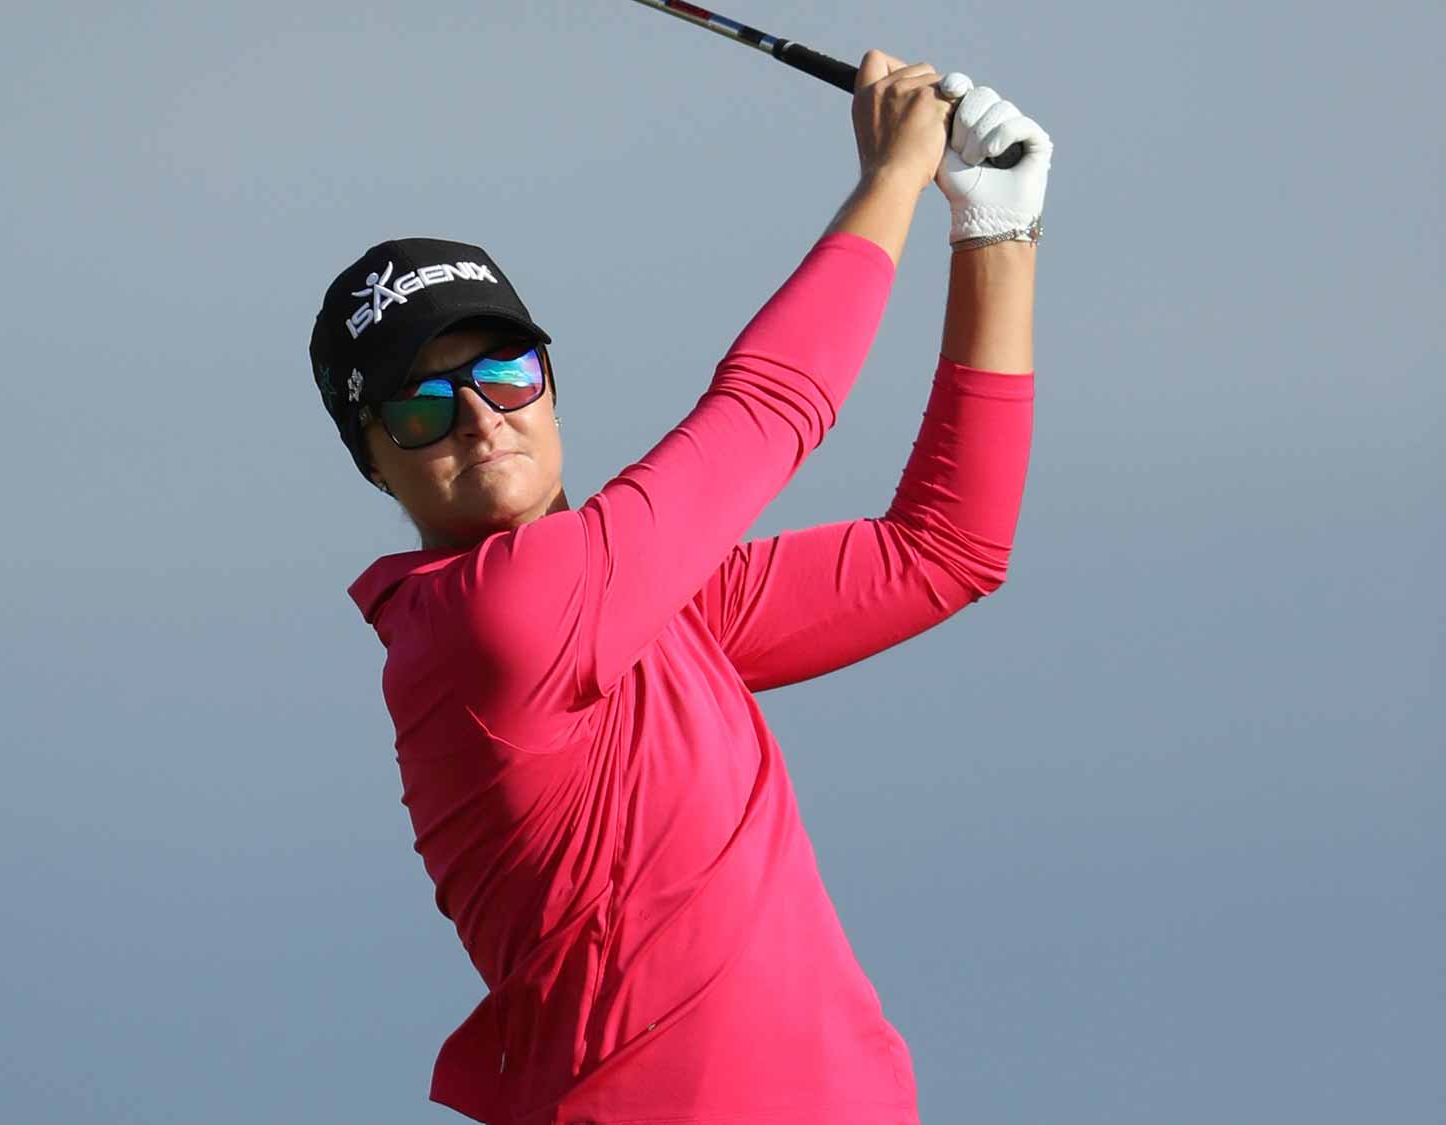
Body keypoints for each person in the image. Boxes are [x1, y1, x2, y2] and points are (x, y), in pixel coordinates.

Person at [306, 49, 1050, 1125]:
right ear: (372, 458)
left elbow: (944, 548)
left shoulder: (644, 610)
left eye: (506, 372)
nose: (480, 416)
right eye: (421, 405)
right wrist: (892, 177)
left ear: (549, 386)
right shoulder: (493, 618)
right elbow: (769, 410)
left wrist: (994, 235)